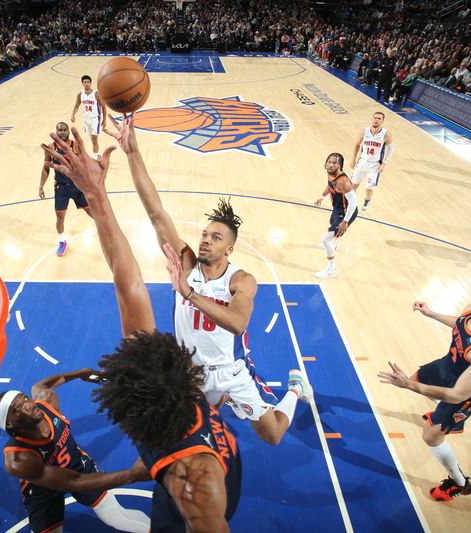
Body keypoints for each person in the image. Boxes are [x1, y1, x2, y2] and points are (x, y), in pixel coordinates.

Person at [43, 126, 242, 532]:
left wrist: (96, 194)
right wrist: (96, 193)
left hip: (209, 489)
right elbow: (126, 278)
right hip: (196, 444)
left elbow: (126, 279)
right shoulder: (174, 393)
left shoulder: (192, 484)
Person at [103, 113, 312, 447]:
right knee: (185, 434)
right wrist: (133, 153)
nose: (204, 240)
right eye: (204, 234)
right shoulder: (186, 263)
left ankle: (296, 390)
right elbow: (156, 212)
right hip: (190, 372)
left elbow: (238, 324)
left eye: (215, 237)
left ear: (229, 248)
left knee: (272, 435)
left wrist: (190, 294)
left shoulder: (241, 280)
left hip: (230, 372)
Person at [377, 289, 471, 501]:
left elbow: (455, 395)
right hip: (447, 366)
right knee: (417, 379)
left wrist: (407, 386)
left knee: (430, 435)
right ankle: (441, 415)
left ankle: (459, 483)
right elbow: (461, 325)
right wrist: (432, 314)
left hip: (466, 393)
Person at [0, 369, 151, 533]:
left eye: (25, 399)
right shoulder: (19, 460)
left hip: (76, 465)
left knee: (116, 516)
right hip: (43, 491)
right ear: (10, 425)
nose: (29, 405)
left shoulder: (47, 402)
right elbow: (75, 482)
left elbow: (43, 384)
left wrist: (83, 373)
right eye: (17, 409)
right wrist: (132, 475)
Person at [39, 122, 92, 256]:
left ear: (68, 131)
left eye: (64, 130)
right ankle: (62, 242)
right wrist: (41, 186)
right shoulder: (50, 148)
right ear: (56, 132)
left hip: (77, 185)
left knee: (92, 212)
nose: (62, 132)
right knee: (60, 216)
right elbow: (46, 167)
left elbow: (84, 164)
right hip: (61, 188)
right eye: (59, 130)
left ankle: (106, 230)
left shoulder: (76, 146)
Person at [313, 153, 358, 278]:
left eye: (334, 163)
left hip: (346, 212)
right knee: (332, 225)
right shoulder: (331, 173)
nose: (331, 165)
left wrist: (345, 221)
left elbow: (353, 202)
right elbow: (330, 186)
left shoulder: (343, 182)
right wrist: (322, 196)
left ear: (340, 166)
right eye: (329, 162)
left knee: (326, 240)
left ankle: (331, 270)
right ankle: (334, 242)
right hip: (338, 209)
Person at [348, 111, 394, 210]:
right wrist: (353, 158)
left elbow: (391, 149)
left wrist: (384, 163)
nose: (376, 120)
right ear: (372, 119)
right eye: (375, 118)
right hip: (362, 162)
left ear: (382, 121)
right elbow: (356, 144)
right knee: (353, 185)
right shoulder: (364, 131)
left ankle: (367, 200)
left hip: (375, 165)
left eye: (379, 118)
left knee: (369, 187)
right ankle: (350, 203)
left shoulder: (386, 133)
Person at [70, 75, 106, 156]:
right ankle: (96, 154)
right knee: (91, 139)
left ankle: (95, 157)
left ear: (90, 83)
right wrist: (73, 115)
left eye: (88, 82)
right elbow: (76, 106)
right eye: (85, 82)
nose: (87, 84)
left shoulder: (96, 94)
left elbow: (103, 106)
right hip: (86, 119)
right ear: (82, 83)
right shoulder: (80, 94)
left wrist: (104, 120)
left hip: (95, 119)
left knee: (94, 139)